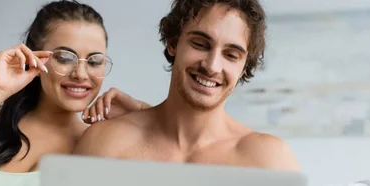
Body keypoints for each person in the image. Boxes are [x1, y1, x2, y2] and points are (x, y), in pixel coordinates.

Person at [74, 0, 301, 172]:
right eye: (200, 44)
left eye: (231, 55)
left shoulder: (268, 161)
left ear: (244, 67)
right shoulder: (105, 143)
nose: (212, 66)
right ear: (173, 43)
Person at [0, 1, 147, 185]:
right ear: (34, 56)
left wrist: (144, 115)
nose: (81, 74)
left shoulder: (102, 145)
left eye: (94, 61)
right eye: (65, 58)